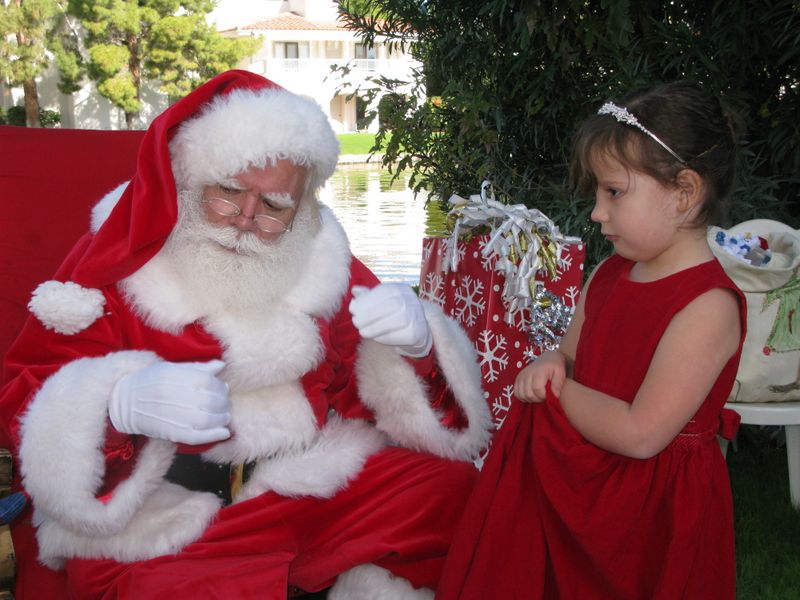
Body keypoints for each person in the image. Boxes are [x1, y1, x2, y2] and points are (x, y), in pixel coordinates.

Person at [0, 70, 492, 600]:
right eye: (229, 193)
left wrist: (416, 352)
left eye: (276, 206)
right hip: (160, 516)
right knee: (159, 587)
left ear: (301, 209)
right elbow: (25, 396)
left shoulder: (317, 257)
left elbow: (374, 400)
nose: (247, 219)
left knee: (450, 492)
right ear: (191, 179)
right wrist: (114, 406)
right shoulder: (118, 257)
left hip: (298, 489)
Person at [436, 81, 745, 599]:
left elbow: (642, 432)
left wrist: (552, 387)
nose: (599, 212)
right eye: (599, 193)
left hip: (650, 509)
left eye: (615, 192)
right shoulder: (608, 275)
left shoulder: (707, 307)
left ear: (685, 193)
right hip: (582, 477)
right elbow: (570, 358)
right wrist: (555, 361)